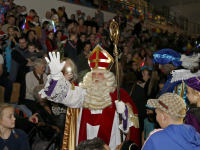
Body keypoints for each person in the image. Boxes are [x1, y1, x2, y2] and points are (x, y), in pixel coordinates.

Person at [40, 46, 140, 150]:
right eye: (94, 73)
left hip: (110, 141)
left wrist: (124, 112)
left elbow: (132, 124)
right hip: (85, 139)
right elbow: (58, 95)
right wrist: (56, 76)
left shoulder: (119, 94)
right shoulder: (82, 91)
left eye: (100, 73)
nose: (96, 76)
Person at [9, 36, 35, 104]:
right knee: (25, 77)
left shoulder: (29, 51)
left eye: (23, 43)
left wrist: (31, 62)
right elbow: (24, 62)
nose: (22, 44)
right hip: (17, 75)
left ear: (26, 43)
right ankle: (21, 102)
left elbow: (36, 60)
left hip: (28, 72)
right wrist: (29, 62)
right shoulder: (14, 52)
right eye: (20, 43)